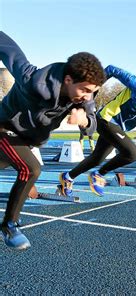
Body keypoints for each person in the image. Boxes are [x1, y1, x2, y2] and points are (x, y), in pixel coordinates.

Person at [0, 31, 106, 249]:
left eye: (92, 92)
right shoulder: (32, 78)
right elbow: (8, 49)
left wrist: (85, 121)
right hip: (4, 128)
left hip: (25, 140)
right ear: (68, 80)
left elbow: (93, 122)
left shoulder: (83, 98)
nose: (87, 97)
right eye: (85, 90)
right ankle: (10, 225)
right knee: (31, 168)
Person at [59, 65, 136, 197]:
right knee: (132, 153)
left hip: (120, 128)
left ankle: (67, 177)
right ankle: (98, 175)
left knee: (97, 158)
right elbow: (111, 69)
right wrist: (91, 95)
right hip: (107, 119)